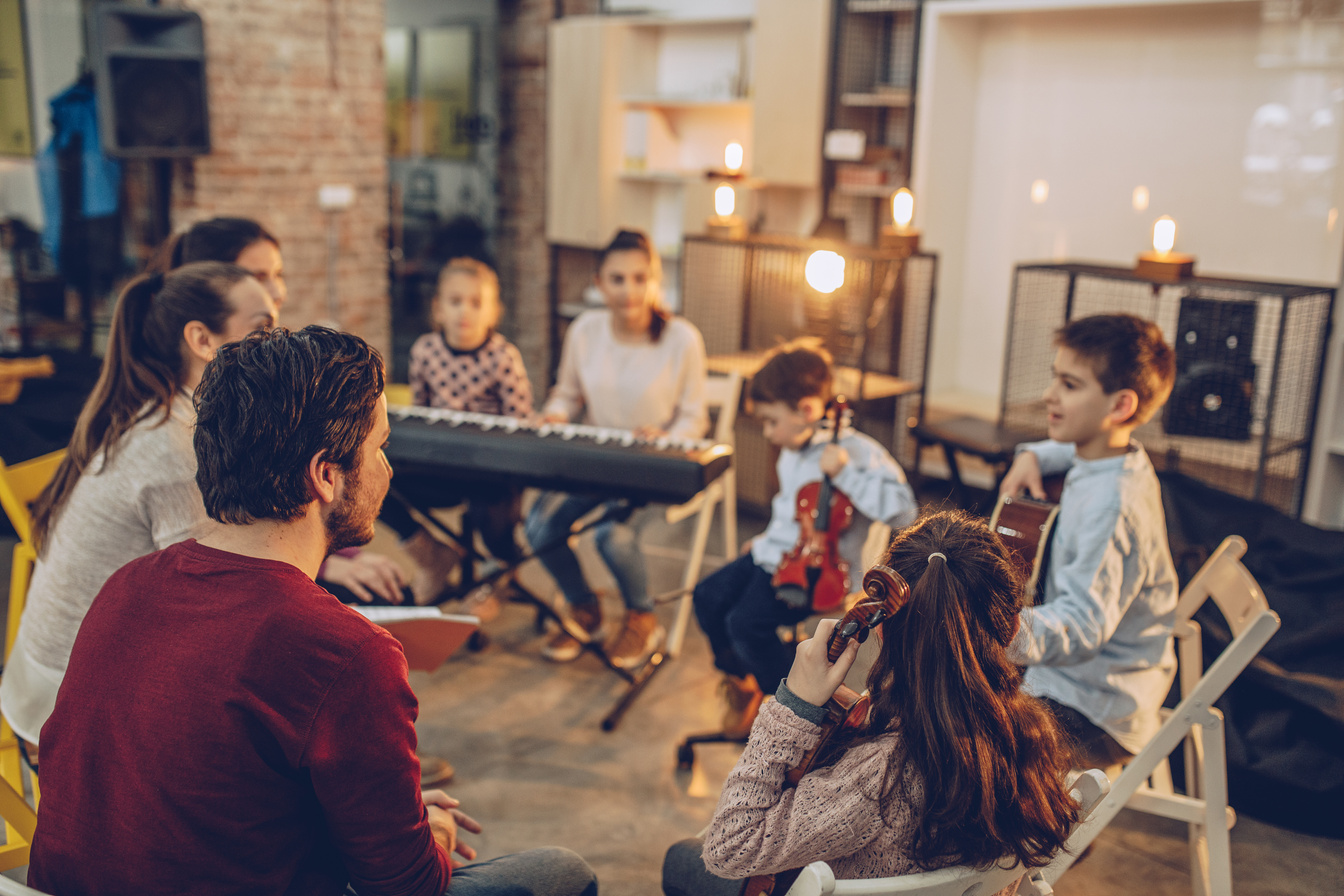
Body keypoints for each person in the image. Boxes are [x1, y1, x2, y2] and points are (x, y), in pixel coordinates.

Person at [28, 326, 598, 896]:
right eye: (380, 448)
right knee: (562, 874)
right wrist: (438, 829)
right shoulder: (345, 653)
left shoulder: (128, 584)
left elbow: (209, 798)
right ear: (326, 474)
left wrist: (379, 816)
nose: (388, 471)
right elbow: (407, 885)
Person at [663, 511, 1082, 896]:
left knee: (682, 860)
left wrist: (792, 706)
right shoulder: (1029, 735)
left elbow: (729, 847)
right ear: (1010, 628)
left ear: (882, 629)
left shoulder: (879, 779)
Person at [0, 263, 277, 759]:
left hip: (45, 682)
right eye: (262, 329)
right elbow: (212, 610)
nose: (277, 343)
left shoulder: (166, 413)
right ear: (202, 339)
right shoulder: (177, 446)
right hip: (66, 715)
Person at [163, 215, 411, 606]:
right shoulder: (175, 436)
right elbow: (217, 567)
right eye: (257, 277)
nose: (276, 292)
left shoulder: (226, 398)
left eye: (277, 275)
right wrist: (329, 568)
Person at [692, 339, 917, 738]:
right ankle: (746, 684)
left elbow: (904, 511)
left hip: (817, 575)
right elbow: (790, 511)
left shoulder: (861, 453)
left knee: (745, 625)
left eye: (771, 421)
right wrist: (763, 539)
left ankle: (801, 712)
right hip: (773, 556)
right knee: (707, 597)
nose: (768, 433)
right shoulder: (792, 448)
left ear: (807, 410)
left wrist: (846, 473)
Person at [998, 313, 1179, 771]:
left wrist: (990, 627)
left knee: (963, 740)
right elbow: (1066, 446)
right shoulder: (1112, 455)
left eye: (1069, 385)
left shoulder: (1112, 508)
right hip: (1074, 678)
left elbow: (1080, 627)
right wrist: (1031, 453)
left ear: (1119, 407)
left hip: (1094, 707)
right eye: (1054, 377)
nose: (1048, 394)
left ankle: (1047, 829)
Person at [525, 228, 708, 669]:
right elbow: (567, 395)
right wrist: (554, 414)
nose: (630, 289)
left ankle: (642, 615)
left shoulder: (682, 339)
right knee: (539, 528)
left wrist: (667, 438)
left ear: (655, 281)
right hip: (596, 461)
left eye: (640, 278)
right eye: (618, 278)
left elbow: (695, 417)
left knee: (612, 535)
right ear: (599, 282)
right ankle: (583, 606)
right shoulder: (585, 331)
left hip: (654, 469)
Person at [378, 256, 534, 607]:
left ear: (494, 312)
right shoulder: (425, 351)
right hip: (442, 468)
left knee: (490, 519)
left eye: (477, 303)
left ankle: (498, 571)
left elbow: (521, 426)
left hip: (492, 471)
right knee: (372, 480)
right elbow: (421, 416)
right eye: (455, 301)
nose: (465, 311)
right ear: (438, 309)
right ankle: (432, 555)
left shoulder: (503, 358)